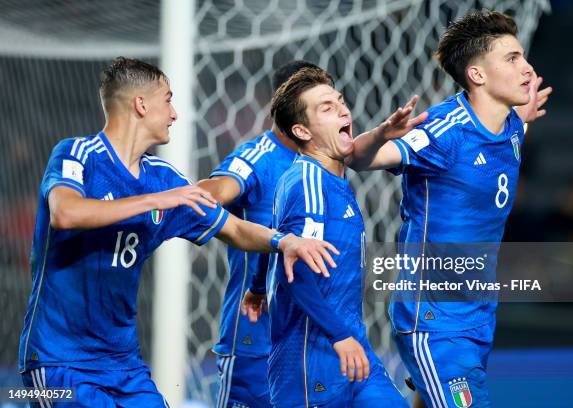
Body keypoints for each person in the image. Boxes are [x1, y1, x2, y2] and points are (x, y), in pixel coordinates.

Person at [17, 57, 339, 408]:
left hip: (124, 367)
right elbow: (66, 213)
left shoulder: (165, 178)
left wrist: (283, 241)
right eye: (168, 99)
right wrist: (154, 200)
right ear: (141, 104)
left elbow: (233, 228)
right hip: (58, 363)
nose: (174, 113)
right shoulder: (77, 154)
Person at [348, 10, 552, 408]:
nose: (527, 68)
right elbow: (360, 160)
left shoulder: (508, 125)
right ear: (477, 75)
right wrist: (380, 136)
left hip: (477, 314)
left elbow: (503, 138)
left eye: (523, 56)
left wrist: (523, 118)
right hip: (433, 320)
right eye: (511, 59)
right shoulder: (442, 131)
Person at [242, 66, 427, 407]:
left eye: (340, 101)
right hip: (310, 358)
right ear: (301, 130)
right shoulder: (307, 183)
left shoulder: (330, 180)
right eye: (326, 108)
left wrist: (255, 285)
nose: (343, 109)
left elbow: (278, 238)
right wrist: (339, 335)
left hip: (353, 350)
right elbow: (292, 269)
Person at [198, 60, 322, 408]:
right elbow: (217, 189)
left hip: (311, 340)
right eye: (321, 102)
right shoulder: (258, 157)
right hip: (257, 341)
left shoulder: (326, 162)